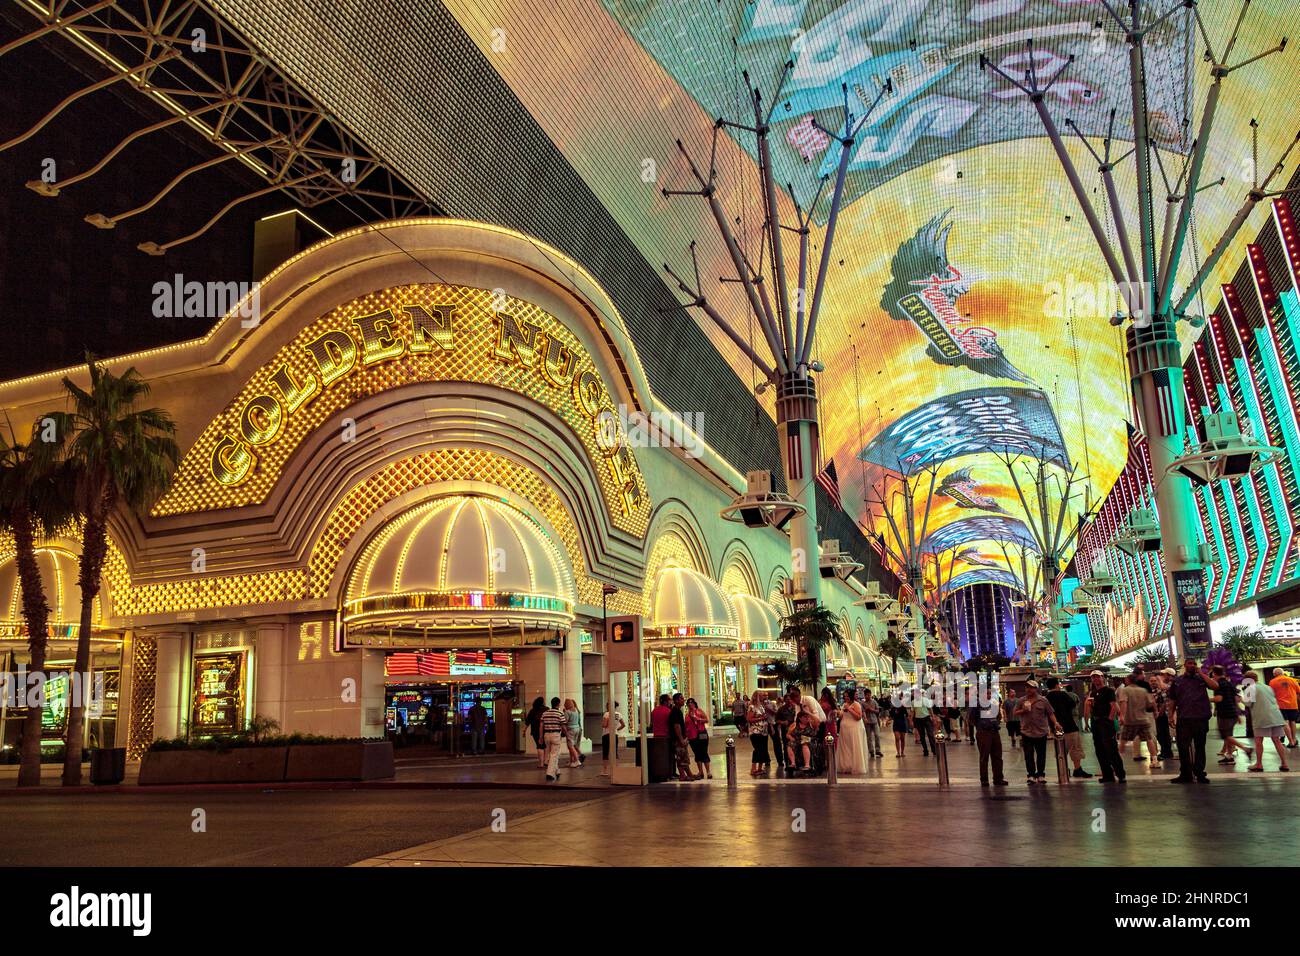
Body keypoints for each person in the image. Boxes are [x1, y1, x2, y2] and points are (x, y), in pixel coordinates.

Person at [1167, 658, 1218, 784]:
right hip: (1184, 718)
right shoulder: (1177, 681)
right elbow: (1173, 699)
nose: (1192, 665)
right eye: (1190, 663)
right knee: (1183, 747)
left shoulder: (1201, 678)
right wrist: (1170, 715)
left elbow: (1215, 686)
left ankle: (1200, 773)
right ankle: (1185, 774)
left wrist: (1201, 673)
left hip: (1201, 717)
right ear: (1185, 665)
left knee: (1200, 746)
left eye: (1194, 663)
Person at [1014, 680, 1060, 784]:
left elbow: (1050, 713)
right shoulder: (1021, 700)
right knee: (1028, 755)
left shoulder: (1043, 700)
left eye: (1031, 687)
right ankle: (1031, 775)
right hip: (1026, 732)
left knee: (1041, 755)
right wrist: (1023, 711)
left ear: (1036, 689)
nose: (1028, 689)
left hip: (1041, 732)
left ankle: (1040, 774)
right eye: (1027, 687)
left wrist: (1056, 723)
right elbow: (1015, 712)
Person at [1244, 671, 1291, 772]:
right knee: (1277, 740)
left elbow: (1248, 704)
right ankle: (1284, 764)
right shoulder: (1267, 687)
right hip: (1276, 716)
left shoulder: (1250, 688)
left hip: (1262, 718)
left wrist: (1240, 699)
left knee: (1258, 741)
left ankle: (1259, 764)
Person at [1045, 677, 1091, 777]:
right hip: (1070, 726)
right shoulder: (1063, 694)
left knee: (1061, 750)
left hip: (1056, 727)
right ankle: (1077, 769)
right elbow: (1072, 704)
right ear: (1057, 685)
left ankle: (1064, 769)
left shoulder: (1046, 698)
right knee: (1075, 748)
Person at [1084, 670, 1125, 783]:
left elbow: (1113, 706)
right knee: (1099, 749)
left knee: (1111, 749)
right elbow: (1092, 708)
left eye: (1098, 677)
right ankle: (1107, 775)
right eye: (1093, 678)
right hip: (1096, 722)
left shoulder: (1108, 691)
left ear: (1102, 678)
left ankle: (1120, 774)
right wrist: (1089, 712)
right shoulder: (1092, 693)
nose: (1095, 679)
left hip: (1105, 722)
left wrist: (1110, 719)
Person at [1117, 673, 1161, 767]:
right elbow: (1151, 703)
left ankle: (1118, 762)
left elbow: (1123, 703)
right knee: (1149, 739)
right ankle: (1154, 760)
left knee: (1123, 740)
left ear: (1128, 680)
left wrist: (1122, 716)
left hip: (1130, 720)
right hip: (1143, 719)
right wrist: (1155, 711)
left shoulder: (1125, 690)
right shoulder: (1143, 690)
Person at [1211, 666, 1251, 763]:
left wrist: (1205, 699)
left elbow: (1219, 699)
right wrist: (1237, 714)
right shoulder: (1229, 684)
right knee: (1229, 735)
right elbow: (1236, 699)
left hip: (1225, 713)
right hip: (1232, 713)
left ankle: (1246, 749)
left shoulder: (1218, 684)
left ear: (1214, 674)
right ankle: (1229, 757)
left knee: (1226, 736)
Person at [974, 678, 1008, 786]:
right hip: (983, 733)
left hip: (994, 732)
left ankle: (998, 778)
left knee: (997, 756)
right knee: (984, 757)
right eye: (987, 693)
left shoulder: (994, 703)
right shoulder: (976, 704)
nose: (989, 694)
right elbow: (971, 719)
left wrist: (995, 723)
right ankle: (984, 780)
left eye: (990, 693)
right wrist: (982, 725)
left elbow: (998, 716)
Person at [837, 688, 868, 774]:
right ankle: (847, 765)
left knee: (854, 747)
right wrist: (838, 712)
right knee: (846, 748)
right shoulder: (844, 704)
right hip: (844, 729)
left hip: (854, 728)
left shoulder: (856, 704)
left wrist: (849, 709)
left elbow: (858, 717)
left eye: (847, 696)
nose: (846, 698)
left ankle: (856, 766)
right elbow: (841, 716)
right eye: (845, 696)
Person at [1267, 668, 1300, 748]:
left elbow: (1271, 694)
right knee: (1292, 722)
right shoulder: (1292, 680)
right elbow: (1298, 692)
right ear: (1282, 673)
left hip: (1280, 705)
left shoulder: (1272, 682)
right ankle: (1294, 739)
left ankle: (1291, 741)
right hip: (1293, 704)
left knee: (1285, 722)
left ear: (1274, 674)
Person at [541, 697, 567, 781]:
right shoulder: (560, 713)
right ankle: (550, 773)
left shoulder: (545, 713)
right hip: (555, 735)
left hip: (546, 735)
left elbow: (541, 726)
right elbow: (563, 726)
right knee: (554, 755)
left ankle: (557, 771)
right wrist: (567, 735)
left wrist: (540, 737)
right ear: (558, 704)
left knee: (550, 754)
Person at [685, 697, 712, 779]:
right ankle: (700, 772)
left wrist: (698, 719)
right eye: (688, 704)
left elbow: (707, 720)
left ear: (694, 703)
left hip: (701, 734)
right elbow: (686, 726)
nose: (690, 705)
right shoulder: (687, 714)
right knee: (697, 754)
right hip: (692, 737)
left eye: (692, 703)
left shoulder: (699, 711)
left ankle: (708, 772)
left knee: (704, 752)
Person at [669, 693, 693, 781]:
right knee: (682, 757)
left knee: (682, 756)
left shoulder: (678, 711)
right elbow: (676, 726)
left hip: (679, 738)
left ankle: (686, 774)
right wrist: (681, 739)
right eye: (681, 699)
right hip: (678, 739)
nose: (683, 700)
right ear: (676, 700)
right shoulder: (676, 711)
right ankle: (684, 775)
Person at [747, 691, 770, 775]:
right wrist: (761, 718)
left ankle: (760, 768)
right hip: (755, 731)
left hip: (763, 731)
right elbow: (749, 719)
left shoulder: (761, 706)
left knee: (763, 750)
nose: (763, 697)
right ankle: (753, 769)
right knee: (757, 749)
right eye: (760, 695)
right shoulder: (752, 707)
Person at [1154, 668, 1176, 759]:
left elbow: (1164, 689)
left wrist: (1159, 679)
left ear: (1169, 675)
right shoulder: (1163, 684)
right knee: (1160, 733)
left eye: (1164, 674)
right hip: (1161, 712)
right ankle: (1165, 751)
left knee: (1165, 733)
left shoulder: (1173, 684)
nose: (1162, 676)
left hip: (1167, 712)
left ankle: (1167, 752)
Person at [600, 701, 625, 775]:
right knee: (615, 751)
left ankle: (605, 770)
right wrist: (617, 729)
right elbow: (623, 725)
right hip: (615, 734)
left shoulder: (607, 714)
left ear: (609, 706)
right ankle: (615, 768)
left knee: (605, 752)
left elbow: (604, 725)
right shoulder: (618, 714)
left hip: (606, 735)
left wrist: (604, 723)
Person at [912, 690, 936, 757]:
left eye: (916, 694)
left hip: (926, 718)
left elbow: (930, 709)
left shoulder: (925, 700)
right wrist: (911, 720)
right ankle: (925, 750)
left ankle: (934, 750)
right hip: (918, 719)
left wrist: (933, 717)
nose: (915, 695)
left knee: (930, 734)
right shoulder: (913, 702)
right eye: (914, 694)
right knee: (922, 736)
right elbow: (913, 711)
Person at [562, 698, 584, 769]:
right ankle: (572, 761)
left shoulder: (567, 712)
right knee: (573, 745)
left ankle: (577, 760)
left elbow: (565, 721)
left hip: (570, 730)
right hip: (577, 729)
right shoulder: (576, 710)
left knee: (571, 746)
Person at [861, 686, 883, 757]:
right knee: (869, 737)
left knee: (877, 735)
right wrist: (865, 715)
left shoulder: (874, 702)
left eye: (869, 694)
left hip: (874, 721)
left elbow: (878, 711)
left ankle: (878, 750)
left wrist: (871, 709)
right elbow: (862, 712)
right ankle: (871, 751)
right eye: (866, 695)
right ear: (864, 695)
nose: (868, 696)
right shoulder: (863, 703)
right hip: (867, 722)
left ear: (870, 694)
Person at [525, 697, 546, 768]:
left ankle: (541, 763)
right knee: (545, 746)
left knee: (539, 746)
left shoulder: (532, 710)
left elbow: (527, 721)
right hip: (545, 730)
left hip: (535, 731)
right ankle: (546, 761)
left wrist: (524, 730)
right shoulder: (546, 709)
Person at [889, 691, 911, 758]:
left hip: (902, 723)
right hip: (896, 723)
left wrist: (910, 721)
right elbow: (891, 716)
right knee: (897, 738)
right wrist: (888, 720)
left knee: (902, 738)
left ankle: (902, 752)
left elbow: (907, 715)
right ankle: (898, 752)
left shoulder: (903, 707)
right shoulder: (893, 708)